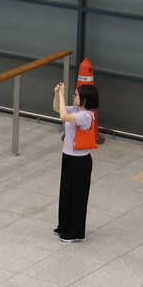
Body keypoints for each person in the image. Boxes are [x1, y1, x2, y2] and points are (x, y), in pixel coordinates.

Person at [54, 81, 98, 242]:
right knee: (66, 192)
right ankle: (64, 225)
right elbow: (58, 109)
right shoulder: (76, 110)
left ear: (85, 100)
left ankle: (76, 231)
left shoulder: (86, 116)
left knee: (77, 196)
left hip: (80, 161)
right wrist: (57, 94)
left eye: (77, 95)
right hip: (68, 156)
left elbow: (64, 116)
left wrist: (61, 95)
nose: (74, 96)